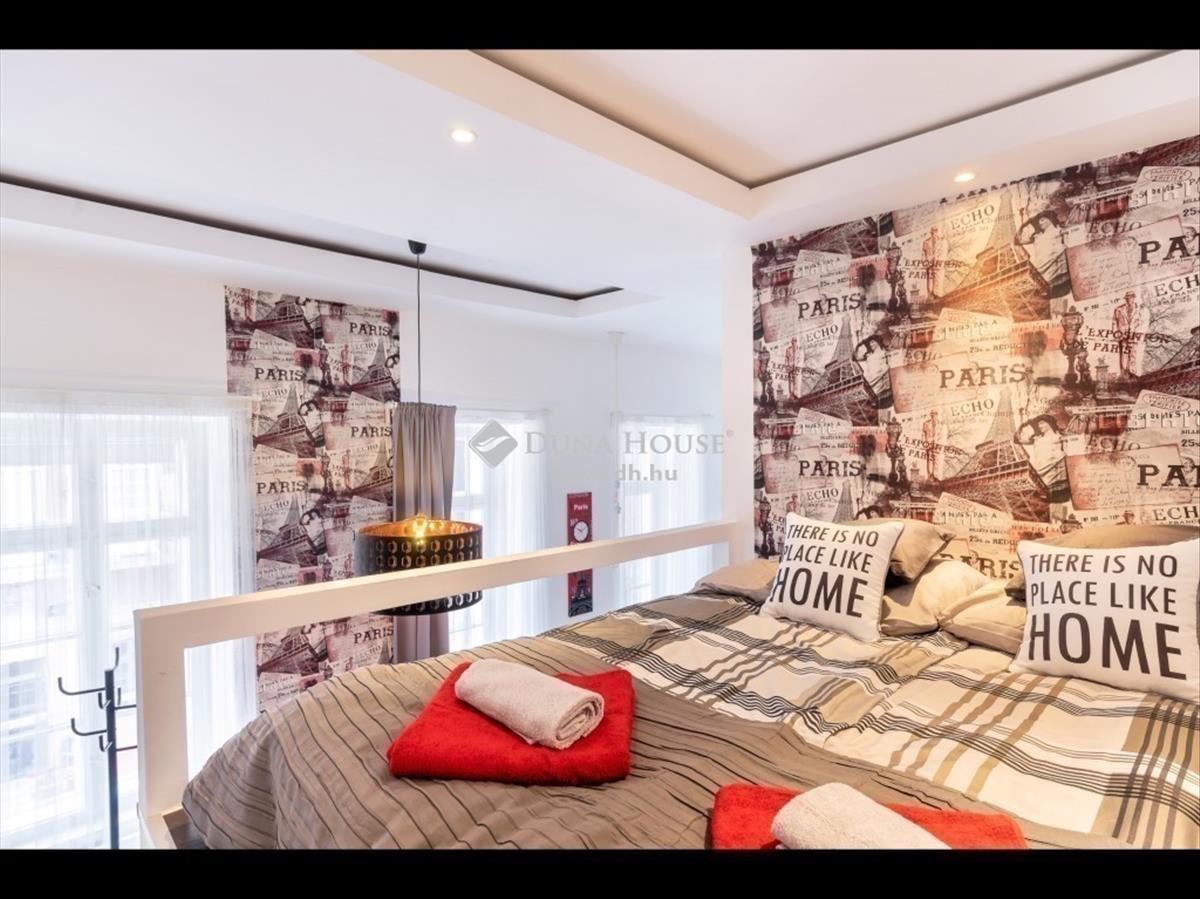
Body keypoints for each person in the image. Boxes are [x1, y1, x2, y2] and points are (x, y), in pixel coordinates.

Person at [1112, 290, 1142, 381]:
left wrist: (1136, 332)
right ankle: (1124, 373)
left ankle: (1132, 373)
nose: (1129, 300)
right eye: (1128, 298)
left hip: (1133, 335)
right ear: (1126, 299)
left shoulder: (1139, 309)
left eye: (1131, 298)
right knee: (1124, 354)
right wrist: (1117, 334)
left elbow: (1140, 323)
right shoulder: (1118, 310)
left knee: (1133, 354)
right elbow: (1114, 323)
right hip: (1122, 335)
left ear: (1134, 298)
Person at [922, 225, 950, 298]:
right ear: (931, 233)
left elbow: (944, 253)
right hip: (929, 265)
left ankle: (938, 296)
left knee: (938, 282)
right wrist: (927, 262)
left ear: (937, 232)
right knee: (930, 284)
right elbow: (923, 254)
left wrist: (938, 261)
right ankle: (930, 296)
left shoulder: (943, 241)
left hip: (938, 265)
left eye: (935, 231)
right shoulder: (926, 242)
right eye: (932, 232)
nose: (934, 233)